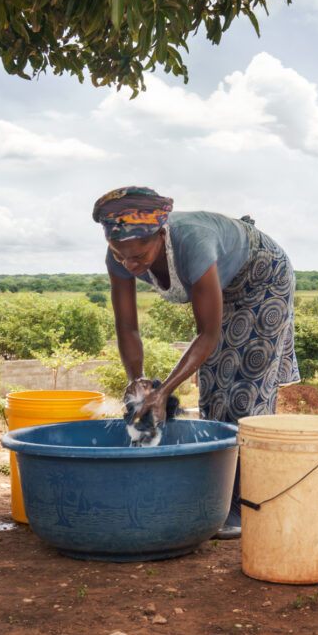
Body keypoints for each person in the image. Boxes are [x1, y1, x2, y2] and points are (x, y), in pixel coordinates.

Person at [94, 186, 299, 539]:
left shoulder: (193, 243)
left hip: (260, 280)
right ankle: (217, 496)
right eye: (120, 254)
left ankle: (241, 505)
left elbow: (207, 334)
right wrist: (139, 381)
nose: (130, 264)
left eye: (139, 255)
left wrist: (166, 392)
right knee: (213, 391)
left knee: (243, 391)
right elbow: (127, 326)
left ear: (161, 234)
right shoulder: (121, 257)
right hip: (222, 287)